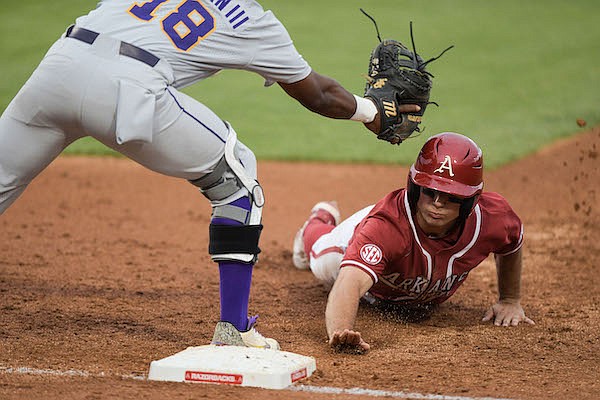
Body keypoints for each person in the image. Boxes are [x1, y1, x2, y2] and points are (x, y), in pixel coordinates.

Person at [0, 1, 420, 350]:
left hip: (58, 67)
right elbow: (319, 95)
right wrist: (373, 112)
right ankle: (234, 328)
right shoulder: (252, 19)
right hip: (127, 88)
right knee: (239, 181)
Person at [292, 132, 535, 353]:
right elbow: (351, 281)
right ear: (415, 188)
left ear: (469, 200)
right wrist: (340, 332)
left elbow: (512, 243)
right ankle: (321, 217)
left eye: (452, 197)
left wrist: (510, 300)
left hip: (402, 281)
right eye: (429, 191)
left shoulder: (493, 219)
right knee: (317, 256)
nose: (438, 202)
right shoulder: (386, 227)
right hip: (350, 244)